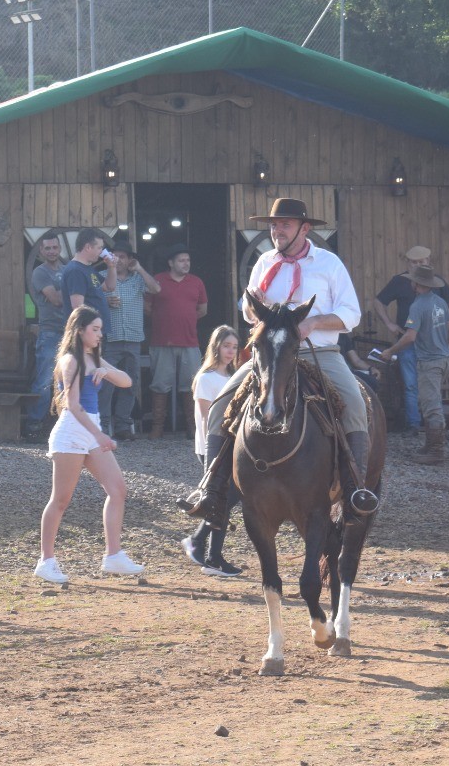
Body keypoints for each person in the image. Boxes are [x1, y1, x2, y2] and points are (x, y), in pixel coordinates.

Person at [181, 197, 376, 528]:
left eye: (284, 224)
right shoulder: (264, 262)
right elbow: (246, 306)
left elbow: (351, 315)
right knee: (219, 406)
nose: (276, 230)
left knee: (355, 403)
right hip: (271, 355)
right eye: (273, 225)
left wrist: (312, 323)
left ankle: (355, 491)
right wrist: (258, 311)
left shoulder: (329, 264)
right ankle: (210, 492)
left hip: (320, 353)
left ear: (305, 227)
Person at [34, 307, 145, 584]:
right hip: (72, 432)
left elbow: (127, 381)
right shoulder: (71, 360)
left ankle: (113, 556)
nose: (100, 334)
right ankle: (45, 561)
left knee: (118, 489)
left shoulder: (93, 357)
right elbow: (72, 405)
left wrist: (105, 371)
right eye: (94, 329)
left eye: (100, 329)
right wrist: (99, 436)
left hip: (89, 430)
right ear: (80, 330)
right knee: (61, 500)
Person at [371, 245, 449, 433]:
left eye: (421, 262)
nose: (417, 265)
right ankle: (421, 426)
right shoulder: (407, 286)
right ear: (408, 264)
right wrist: (389, 324)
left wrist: (390, 351)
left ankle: (433, 432)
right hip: (419, 344)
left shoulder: (421, 303)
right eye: (414, 262)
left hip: (426, 343)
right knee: (415, 386)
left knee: (426, 387)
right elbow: (379, 302)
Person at [180, 325, 243, 578]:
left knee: (227, 499)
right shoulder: (206, 378)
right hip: (213, 446)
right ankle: (206, 550)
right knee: (224, 498)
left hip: (231, 446)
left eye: (235, 347)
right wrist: (214, 453)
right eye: (227, 346)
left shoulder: (233, 377)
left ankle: (206, 549)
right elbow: (207, 418)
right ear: (216, 347)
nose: (230, 351)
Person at [380, 266, 449, 465]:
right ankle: (431, 444)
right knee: (434, 400)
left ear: (416, 284)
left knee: (431, 406)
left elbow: (410, 336)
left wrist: (390, 351)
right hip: (444, 358)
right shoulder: (439, 302)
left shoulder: (417, 305)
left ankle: (437, 450)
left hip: (429, 361)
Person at [99, 233, 158, 439]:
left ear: (128, 259)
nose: (118, 260)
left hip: (133, 338)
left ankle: (123, 425)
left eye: (122, 256)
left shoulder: (137, 279)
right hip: (110, 338)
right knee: (105, 385)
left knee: (130, 384)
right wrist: (104, 303)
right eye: (114, 256)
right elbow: (90, 301)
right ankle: (103, 426)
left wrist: (140, 269)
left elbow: (156, 289)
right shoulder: (101, 276)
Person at [147, 244, 207, 439]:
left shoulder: (197, 282)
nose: (186, 263)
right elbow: (146, 307)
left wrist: (184, 320)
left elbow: (202, 309)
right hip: (162, 341)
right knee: (159, 385)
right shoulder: (157, 280)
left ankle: (192, 428)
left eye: (188, 260)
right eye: (181, 260)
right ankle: (157, 428)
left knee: (191, 385)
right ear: (171, 263)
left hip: (190, 341)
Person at [25, 233, 68, 436]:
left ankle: (64, 426)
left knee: (68, 380)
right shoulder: (39, 273)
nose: (51, 251)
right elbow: (56, 300)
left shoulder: (67, 270)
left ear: (60, 249)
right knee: (44, 380)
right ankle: (33, 425)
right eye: (47, 248)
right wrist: (78, 293)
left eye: (54, 247)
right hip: (50, 332)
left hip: (69, 331)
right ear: (41, 251)